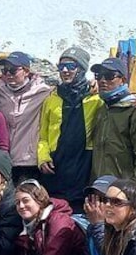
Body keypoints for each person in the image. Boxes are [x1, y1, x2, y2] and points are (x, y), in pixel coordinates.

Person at [37, 46, 103, 212]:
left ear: (81, 69)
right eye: (62, 67)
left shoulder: (96, 98)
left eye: (71, 67)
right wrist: (43, 156)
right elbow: (42, 134)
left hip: (83, 165)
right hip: (55, 166)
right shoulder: (52, 98)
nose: (65, 71)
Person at [90, 56, 136, 194]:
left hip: (124, 189)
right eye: (99, 76)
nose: (102, 80)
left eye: (109, 76)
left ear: (123, 80)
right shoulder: (102, 108)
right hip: (100, 186)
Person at [0, 52, 53, 183]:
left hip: (29, 161)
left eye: (13, 70)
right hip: (4, 159)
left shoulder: (43, 91)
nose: (8, 74)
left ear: (26, 71)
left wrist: (93, 84)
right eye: (5, 70)